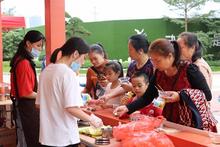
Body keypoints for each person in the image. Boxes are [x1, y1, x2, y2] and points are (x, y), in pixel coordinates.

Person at [114, 39, 217, 132]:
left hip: (193, 123)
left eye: (158, 60)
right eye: (152, 60)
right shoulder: (159, 73)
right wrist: (127, 108)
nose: (154, 64)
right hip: (170, 122)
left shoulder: (189, 69)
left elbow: (207, 95)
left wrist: (180, 96)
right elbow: (147, 97)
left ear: (170, 56)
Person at [36, 37, 103, 146]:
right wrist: (92, 120)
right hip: (64, 137)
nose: (82, 62)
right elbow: (71, 108)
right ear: (75, 54)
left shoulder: (46, 71)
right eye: (83, 57)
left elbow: (39, 105)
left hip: (46, 137)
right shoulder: (67, 73)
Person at [10, 30, 45, 147]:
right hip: (25, 108)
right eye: (38, 45)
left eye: (41, 46)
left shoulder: (21, 59)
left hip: (25, 107)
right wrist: (44, 95)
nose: (40, 49)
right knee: (28, 139)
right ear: (28, 43)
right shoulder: (24, 62)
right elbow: (26, 92)